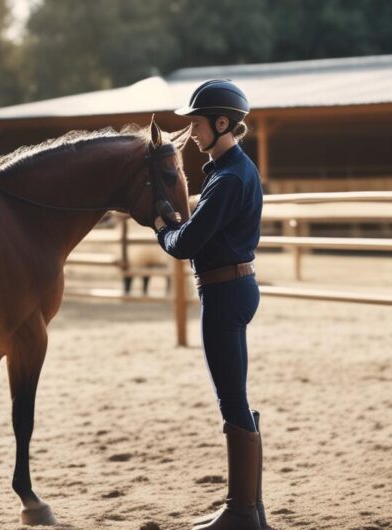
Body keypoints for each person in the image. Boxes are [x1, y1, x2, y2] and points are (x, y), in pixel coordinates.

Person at [153, 79, 268, 530]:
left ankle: (242, 511)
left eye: (199, 123)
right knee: (235, 394)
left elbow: (186, 245)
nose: (194, 132)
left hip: (224, 291)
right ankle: (249, 508)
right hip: (233, 288)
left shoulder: (226, 179)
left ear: (222, 123)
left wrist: (164, 227)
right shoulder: (236, 171)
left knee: (231, 397)